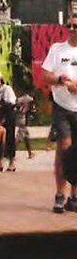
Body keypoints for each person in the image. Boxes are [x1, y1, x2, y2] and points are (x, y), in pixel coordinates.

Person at [38, 19, 77, 213]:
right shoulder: (57, 49)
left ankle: (74, 197)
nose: (71, 29)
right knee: (64, 148)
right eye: (69, 25)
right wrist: (61, 80)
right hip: (62, 107)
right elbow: (45, 76)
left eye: (75, 26)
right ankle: (60, 194)